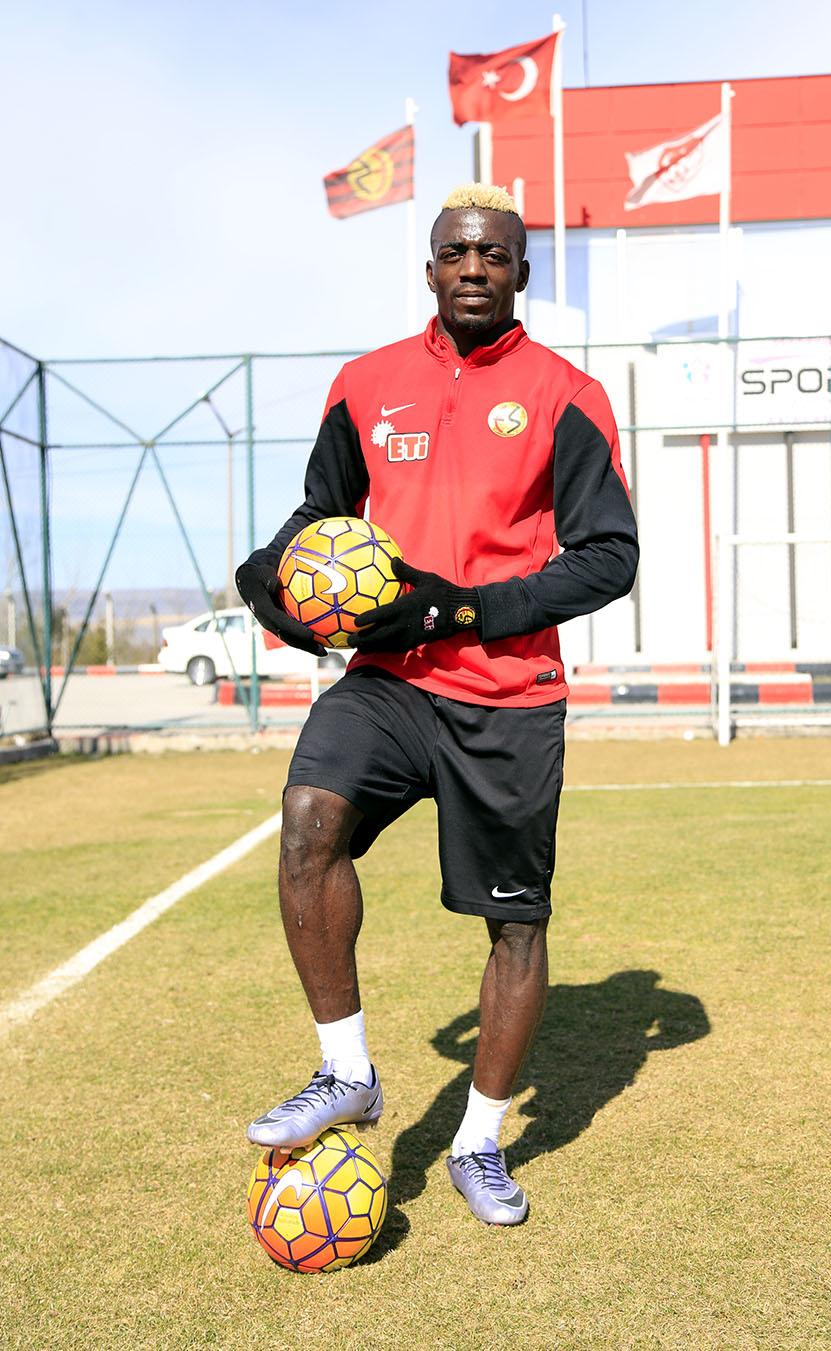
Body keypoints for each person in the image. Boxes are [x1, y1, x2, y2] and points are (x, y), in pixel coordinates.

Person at [234, 182, 639, 1226]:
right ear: (429, 269)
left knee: (515, 926)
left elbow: (609, 556)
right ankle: (347, 1072)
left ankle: (478, 1142)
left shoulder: (566, 395)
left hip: (507, 695)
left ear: (520, 274)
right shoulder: (366, 384)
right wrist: (271, 575)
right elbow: (318, 516)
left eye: (494, 255)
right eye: (457, 252)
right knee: (309, 819)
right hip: (390, 683)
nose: (473, 268)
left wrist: (465, 606)